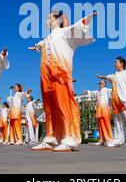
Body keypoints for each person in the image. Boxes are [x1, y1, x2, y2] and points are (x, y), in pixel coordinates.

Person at [29, 10, 97, 152]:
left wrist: (88, 18)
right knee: (49, 107)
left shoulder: (64, 33)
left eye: (49, 18)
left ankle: (69, 138)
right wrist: (36, 47)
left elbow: (77, 27)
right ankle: (50, 137)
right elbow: (42, 46)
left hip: (59, 75)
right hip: (46, 76)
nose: (47, 21)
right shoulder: (47, 38)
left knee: (62, 105)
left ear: (57, 20)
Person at [86, 80, 113, 146]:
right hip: (99, 109)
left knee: (106, 123)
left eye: (100, 83)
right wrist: (87, 91)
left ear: (104, 84)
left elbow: (114, 91)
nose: (99, 84)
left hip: (105, 108)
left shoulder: (107, 90)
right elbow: (92, 93)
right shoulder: (98, 91)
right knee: (100, 124)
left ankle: (109, 139)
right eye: (99, 83)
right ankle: (102, 139)